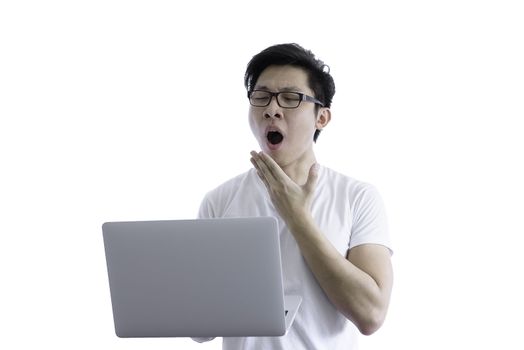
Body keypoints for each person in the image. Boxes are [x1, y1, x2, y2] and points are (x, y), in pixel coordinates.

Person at [194, 43, 393, 350]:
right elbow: (200, 328)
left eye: (291, 98)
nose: (272, 109)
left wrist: (297, 217)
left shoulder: (358, 197)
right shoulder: (219, 201)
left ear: (322, 118)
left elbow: (371, 314)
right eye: (261, 97)